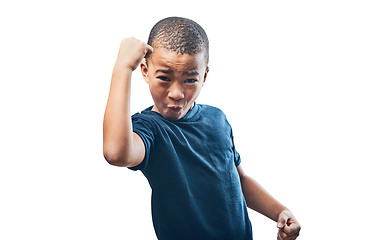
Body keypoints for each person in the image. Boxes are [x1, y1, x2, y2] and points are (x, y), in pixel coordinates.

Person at [103, 16, 301, 240]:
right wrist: (122, 67)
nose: (176, 93)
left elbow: (240, 182)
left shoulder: (217, 118)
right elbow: (116, 153)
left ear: (204, 75)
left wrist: (280, 212)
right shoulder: (149, 128)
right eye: (164, 77)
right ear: (145, 72)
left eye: (189, 80)